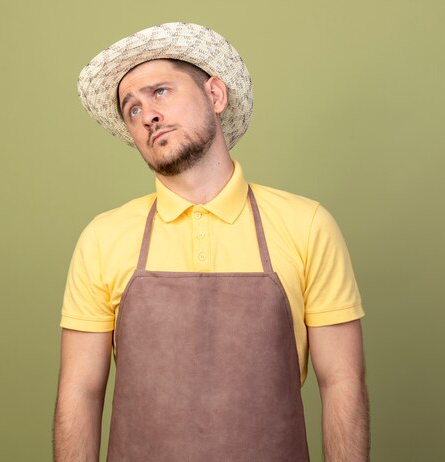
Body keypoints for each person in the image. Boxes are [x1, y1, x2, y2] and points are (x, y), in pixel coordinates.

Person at [54, 22, 369, 462]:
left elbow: (342, 384)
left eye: (160, 91)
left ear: (216, 96)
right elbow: (80, 392)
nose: (148, 115)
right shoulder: (104, 237)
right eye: (132, 109)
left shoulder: (307, 225)